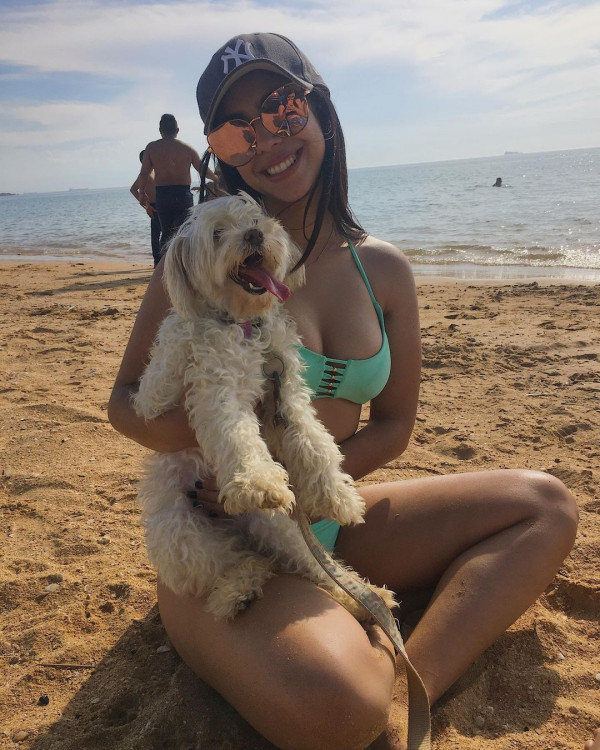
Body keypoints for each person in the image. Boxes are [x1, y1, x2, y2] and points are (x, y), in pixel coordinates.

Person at [108, 33, 580, 750]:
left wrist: (306, 484)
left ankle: (411, 686)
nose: (267, 139)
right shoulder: (199, 263)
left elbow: (394, 425)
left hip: (326, 515)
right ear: (221, 152)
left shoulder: (382, 270)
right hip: (217, 541)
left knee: (545, 506)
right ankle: (349, 679)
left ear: (320, 109)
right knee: (337, 705)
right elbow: (123, 403)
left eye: (282, 107)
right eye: (237, 129)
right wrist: (228, 455)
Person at [137, 113, 216, 253]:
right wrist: (217, 179)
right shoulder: (187, 148)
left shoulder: (151, 148)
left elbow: (144, 174)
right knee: (185, 233)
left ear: (160, 130)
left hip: (163, 195)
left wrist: (142, 193)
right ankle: (185, 263)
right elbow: (202, 169)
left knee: (166, 234)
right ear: (177, 130)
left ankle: (165, 264)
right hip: (182, 194)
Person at [130, 150, 162, 267]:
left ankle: (162, 260)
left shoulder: (155, 171)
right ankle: (157, 262)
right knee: (156, 236)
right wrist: (146, 206)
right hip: (154, 207)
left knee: (165, 233)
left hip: (163, 205)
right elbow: (133, 189)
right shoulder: (144, 174)